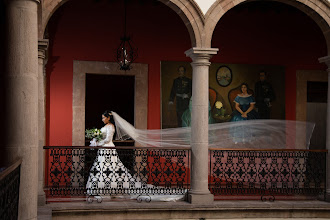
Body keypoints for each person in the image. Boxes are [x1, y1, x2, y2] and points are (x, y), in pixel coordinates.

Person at [86, 110, 185, 202]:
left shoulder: (111, 127)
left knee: (109, 168)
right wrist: (96, 140)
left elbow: (108, 139)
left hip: (108, 148)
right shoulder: (106, 126)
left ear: (108, 118)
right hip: (104, 149)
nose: (102, 119)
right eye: (102, 118)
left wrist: (98, 142)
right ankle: (102, 188)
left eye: (104, 118)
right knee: (103, 168)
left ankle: (109, 189)